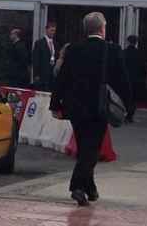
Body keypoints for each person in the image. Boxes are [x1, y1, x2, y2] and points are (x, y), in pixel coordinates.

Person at [50, 12, 128, 206]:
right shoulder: (112, 50)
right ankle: (77, 186)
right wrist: (128, 105)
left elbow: (62, 79)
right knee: (91, 150)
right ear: (102, 29)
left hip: (75, 107)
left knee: (85, 146)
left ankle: (90, 188)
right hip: (99, 106)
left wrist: (55, 104)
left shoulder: (73, 50)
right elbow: (123, 81)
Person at [32, 22, 58, 91]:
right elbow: (36, 59)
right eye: (51, 30)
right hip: (42, 75)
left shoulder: (55, 44)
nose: (53, 32)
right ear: (46, 30)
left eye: (54, 31)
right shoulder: (39, 43)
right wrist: (36, 75)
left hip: (52, 76)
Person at [122, 35, 142, 123]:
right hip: (135, 79)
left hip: (125, 78)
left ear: (128, 42)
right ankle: (130, 115)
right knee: (133, 98)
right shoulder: (139, 53)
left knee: (125, 97)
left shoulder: (123, 52)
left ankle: (124, 114)